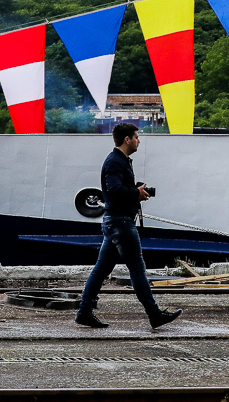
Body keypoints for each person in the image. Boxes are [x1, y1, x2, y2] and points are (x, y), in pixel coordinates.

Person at [76, 123, 183, 329]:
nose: (138, 140)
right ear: (127, 139)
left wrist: (136, 191)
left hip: (115, 222)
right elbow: (114, 189)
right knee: (137, 269)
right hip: (121, 223)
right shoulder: (116, 161)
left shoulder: (120, 160)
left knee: (100, 270)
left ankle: (84, 312)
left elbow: (118, 188)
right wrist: (136, 193)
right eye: (136, 137)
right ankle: (154, 315)